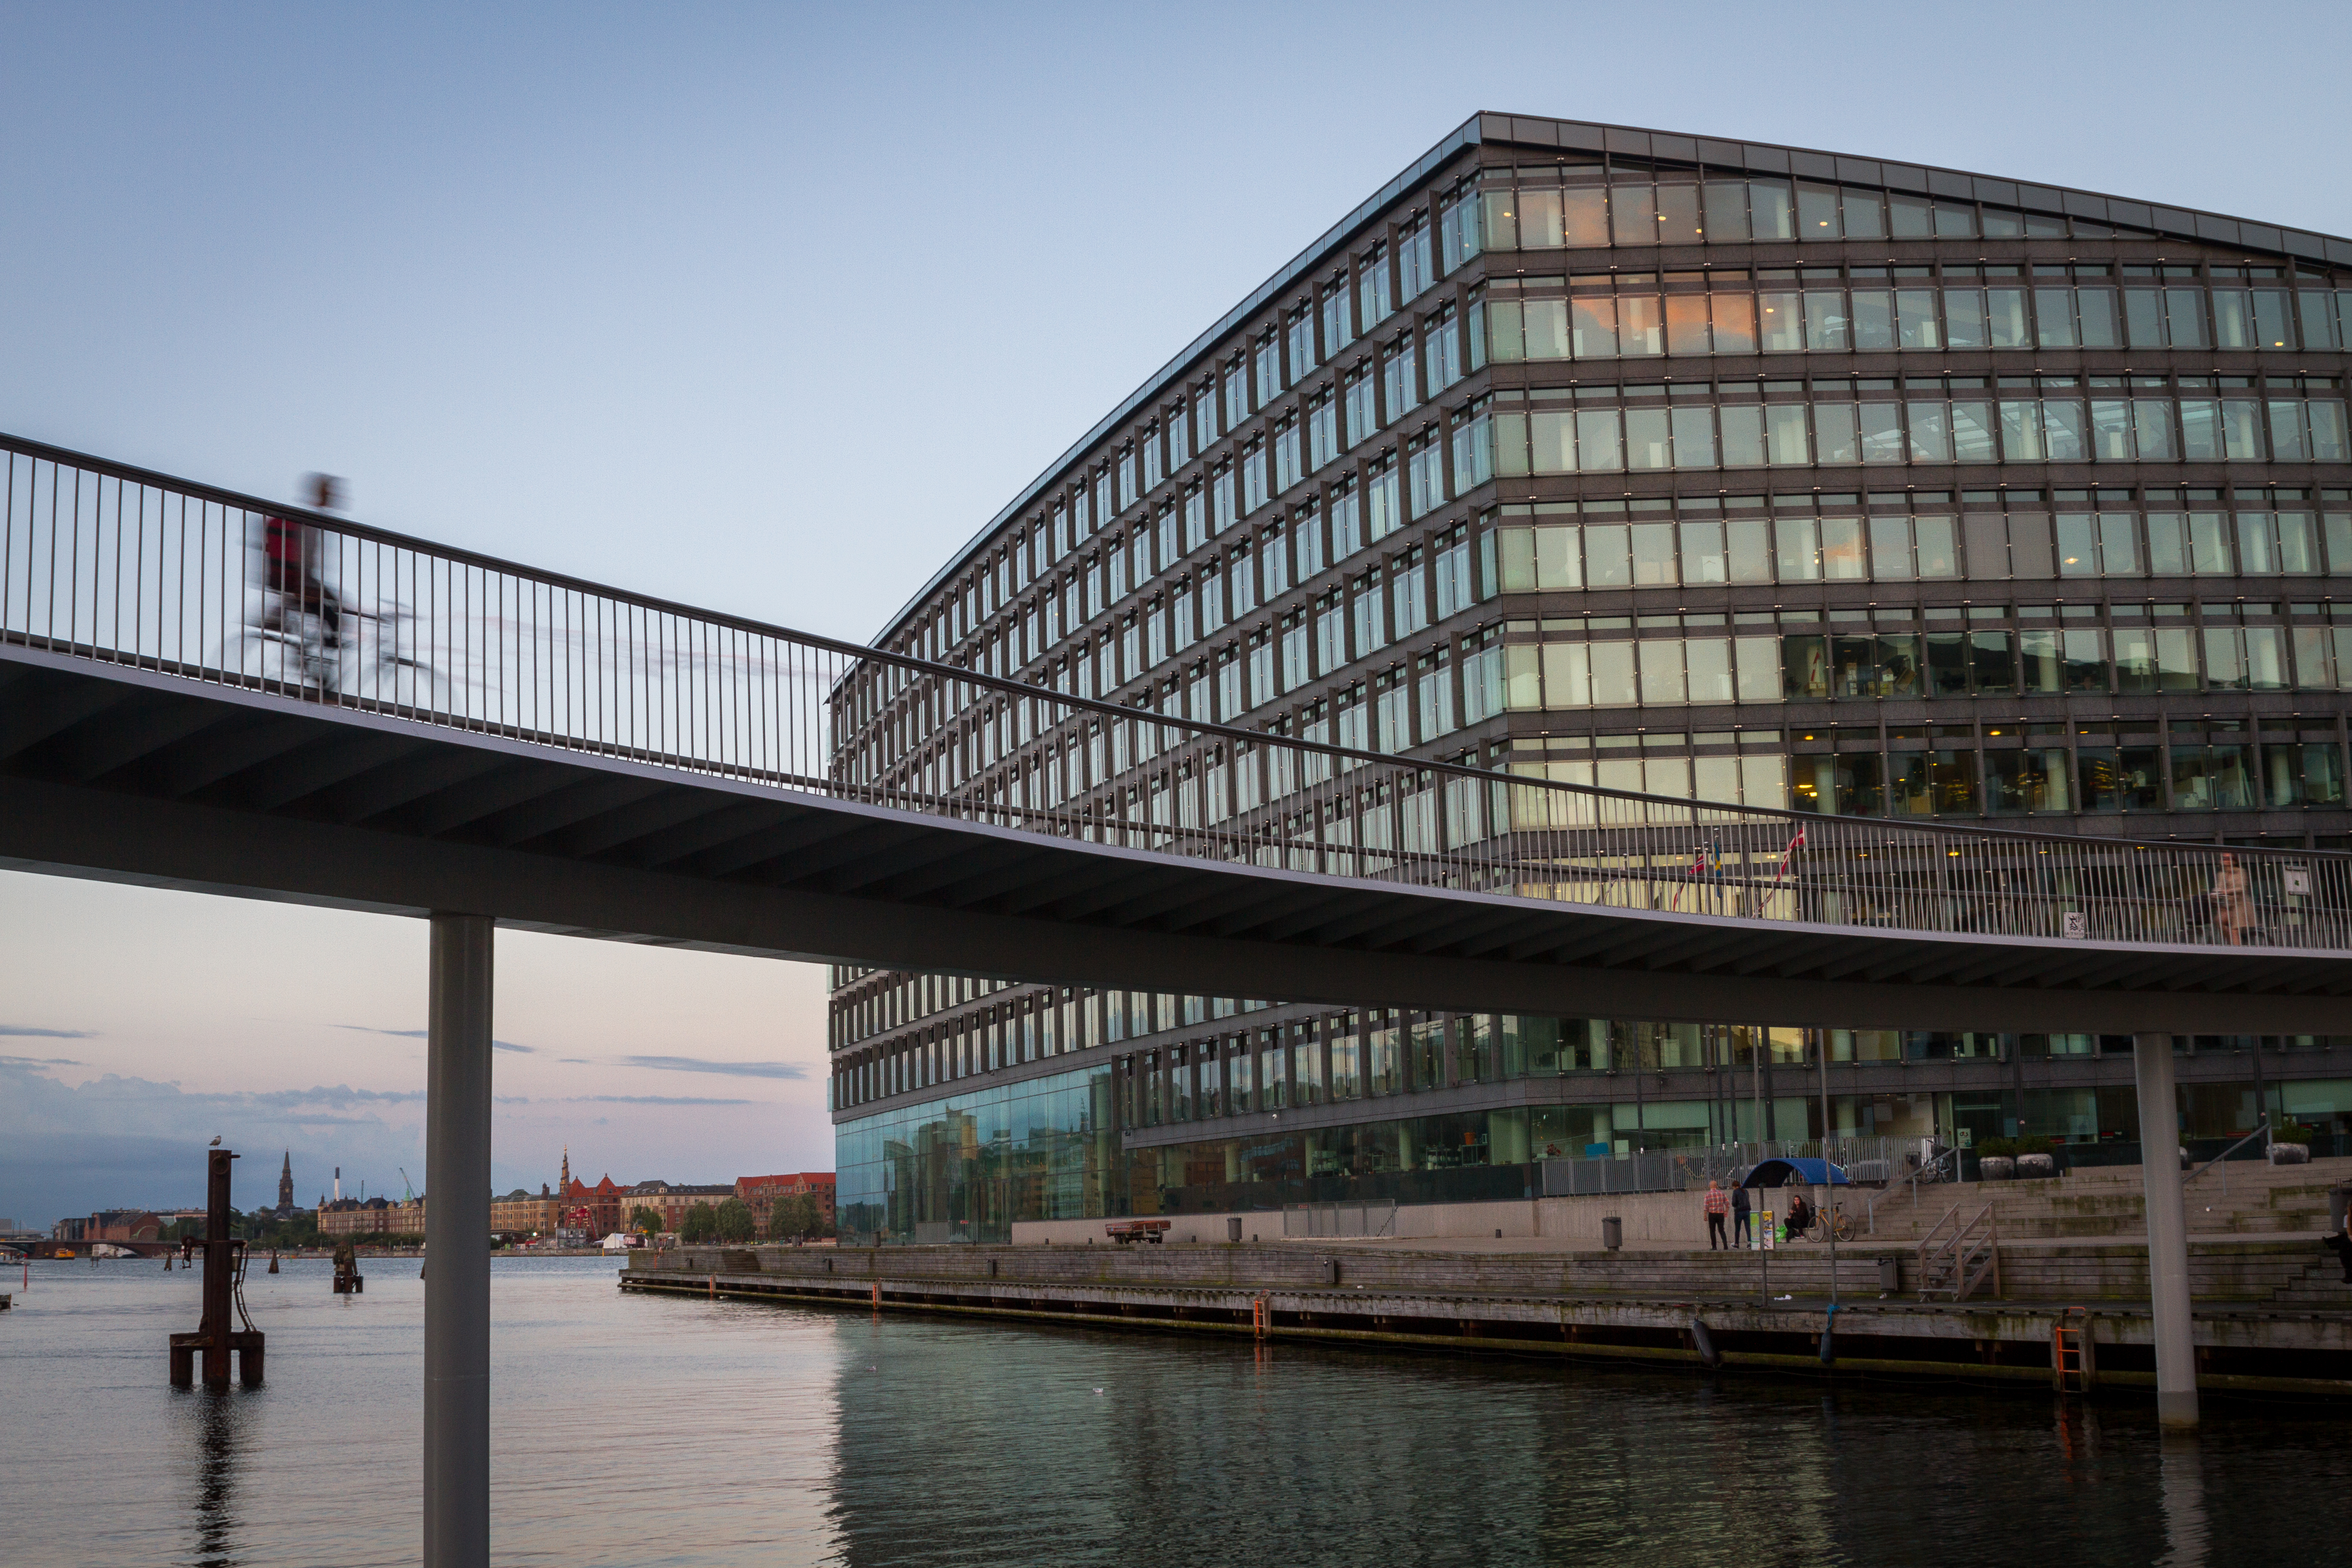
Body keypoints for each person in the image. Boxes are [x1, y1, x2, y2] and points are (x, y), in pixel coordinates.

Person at [260, 474, 346, 646]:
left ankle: (313, 654)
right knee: (336, 614)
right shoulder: (311, 520)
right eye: (330, 493)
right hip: (300, 580)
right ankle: (321, 663)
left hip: (295, 579)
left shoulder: (309, 517)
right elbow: (303, 558)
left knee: (332, 609)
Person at [2212, 852, 2255, 946]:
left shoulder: (2241, 872)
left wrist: (2229, 891)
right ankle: (2232, 942)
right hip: (2228, 905)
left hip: (2240, 904)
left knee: (2234, 929)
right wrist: (2215, 893)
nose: (2227, 861)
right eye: (2224, 859)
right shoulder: (2222, 874)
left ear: (2235, 861)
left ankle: (2237, 949)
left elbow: (2243, 887)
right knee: (2219, 920)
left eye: (2229, 859)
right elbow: (2220, 887)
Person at [1703, 1179, 1729, 1250]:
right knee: (1721, 1230)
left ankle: (1714, 1247)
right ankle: (1726, 1246)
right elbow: (1728, 1204)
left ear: (1710, 1186)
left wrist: (1705, 1215)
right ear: (1716, 1186)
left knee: (1712, 1231)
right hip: (1721, 1214)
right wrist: (1726, 1212)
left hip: (1712, 1214)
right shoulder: (1722, 1193)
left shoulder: (1708, 1194)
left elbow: (1706, 1206)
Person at [1731, 1182, 1752, 1248]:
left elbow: (1734, 1203)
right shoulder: (1746, 1191)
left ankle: (1737, 1244)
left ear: (1734, 1186)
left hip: (1739, 1212)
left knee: (1738, 1229)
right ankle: (1750, 1243)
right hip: (1747, 1211)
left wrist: (1734, 1205)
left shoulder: (1735, 1192)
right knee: (1748, 1228)